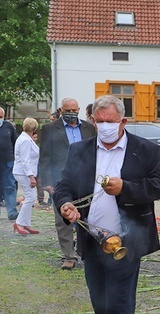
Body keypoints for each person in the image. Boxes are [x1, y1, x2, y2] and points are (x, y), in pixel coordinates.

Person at [54, 95, 160, 314]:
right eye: (99, 121)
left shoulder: (145, 150)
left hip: (127, 239)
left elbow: (158, 187)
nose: (104, 125)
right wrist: (65, 204)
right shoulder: (80, 150)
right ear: (93, 121)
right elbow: (64, 185)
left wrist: (125, 188)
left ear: (123, 121)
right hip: (92, 238)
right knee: (100, 301)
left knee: (118, 300)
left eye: (110, 121)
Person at [39, 97, 97, 270]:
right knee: (62, 217)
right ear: (60, 110)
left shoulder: (88, 128)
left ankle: (87, 251)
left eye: (74, 110)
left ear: (78, 110)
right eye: (68, 111)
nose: (71, 113)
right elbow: (45, 157)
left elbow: (95, 152)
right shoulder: (49, 129)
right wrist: (47, 182)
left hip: (85, 178)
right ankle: (68, 256)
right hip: (60, 179)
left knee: (86, 216)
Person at [12, 118, 41, 235]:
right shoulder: (25, 141)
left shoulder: (25, 139)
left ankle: (25, 223)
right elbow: (25, 161)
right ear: (34, 129)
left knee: (30, 197)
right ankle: (19, 223)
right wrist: (31, 176)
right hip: (23, 173)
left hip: (23, 172)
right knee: (30, 197)